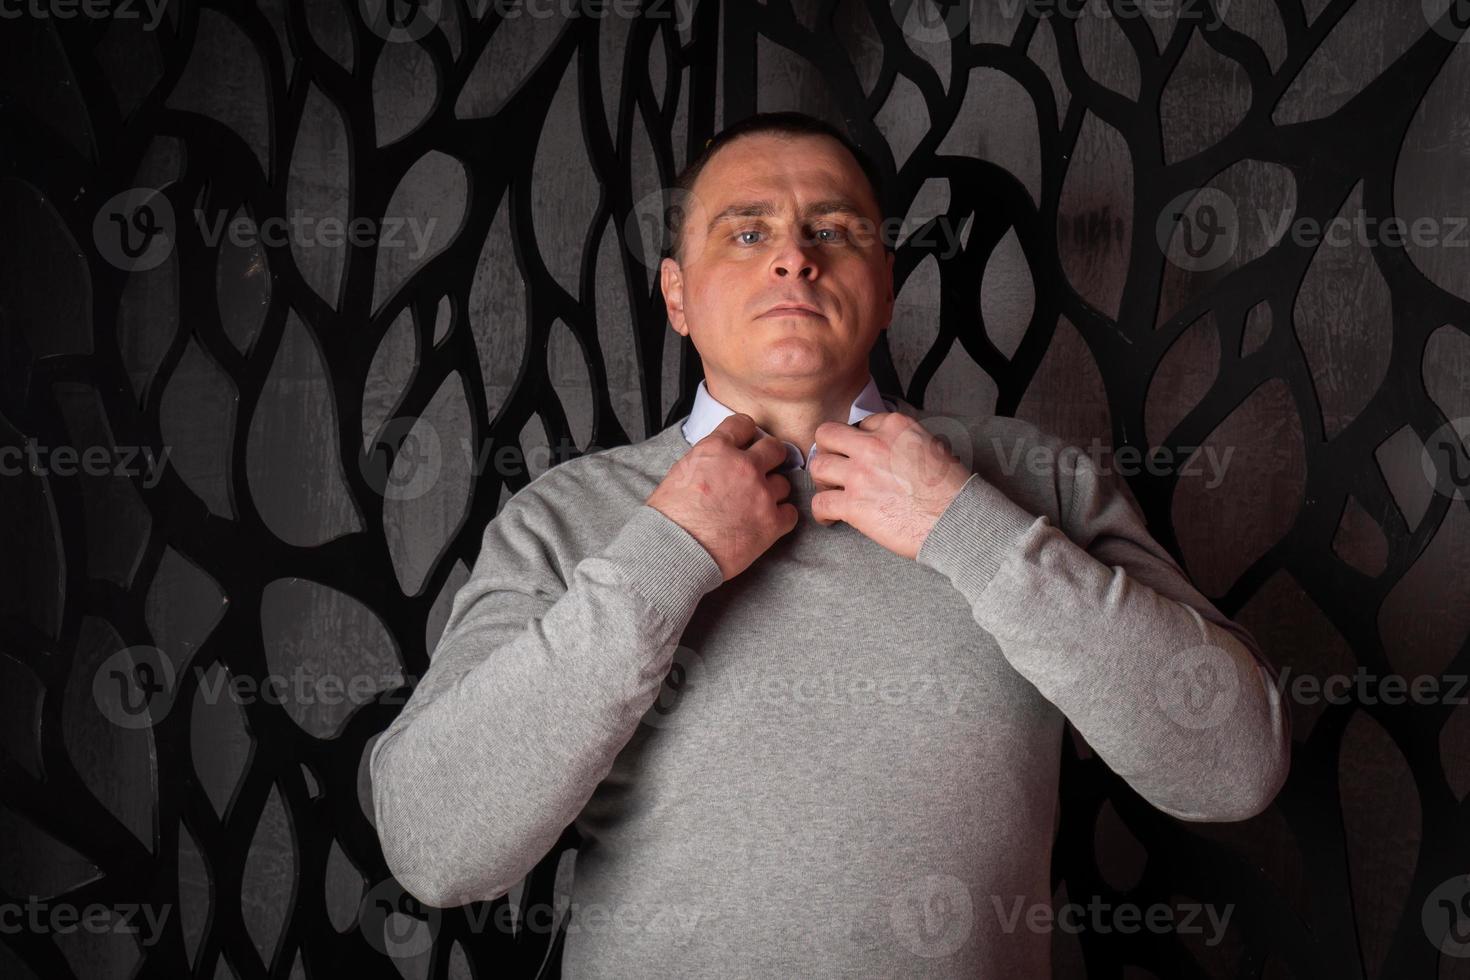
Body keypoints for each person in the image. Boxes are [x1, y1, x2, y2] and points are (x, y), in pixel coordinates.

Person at [369, 111, 1290, 977]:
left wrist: (965, 528)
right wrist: (664, 553)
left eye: (834, 231)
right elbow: (434, 848)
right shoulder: (563, 515)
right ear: (677, 295)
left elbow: (1234, 765)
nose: (793, 262)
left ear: (887, 284)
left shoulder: (1033, 479)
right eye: (745, 232)